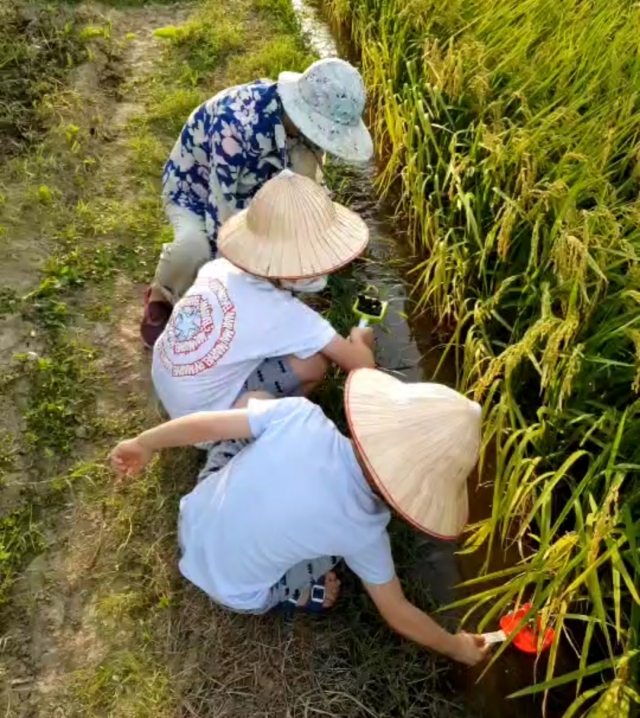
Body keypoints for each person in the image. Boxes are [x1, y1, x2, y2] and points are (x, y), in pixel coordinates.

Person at [110, 367, 490, 666]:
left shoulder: (300, 415)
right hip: (236, 592)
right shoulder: (366, 530)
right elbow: (398, 612)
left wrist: (144, 443)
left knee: (253, 408)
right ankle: (304, 593)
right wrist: (455, 645)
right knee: (330, 564)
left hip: (191, 518)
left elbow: (208, 424)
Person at [141, 57, 374, 348]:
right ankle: (162, 294)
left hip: (259, 189)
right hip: (197, 192)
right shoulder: (236, 127)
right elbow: (221, 218)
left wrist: (322, 242)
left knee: (289, 242)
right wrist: (251, 278)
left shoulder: (303, 132)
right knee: (194, 248)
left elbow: (308, 192)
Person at [151, 169, 374, 429]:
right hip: (205, 423)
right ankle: (264, 429)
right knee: (315, 362)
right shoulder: (289, 316)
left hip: (169, 385)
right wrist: (361, 339)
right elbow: (362, 366)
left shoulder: (218, 268)